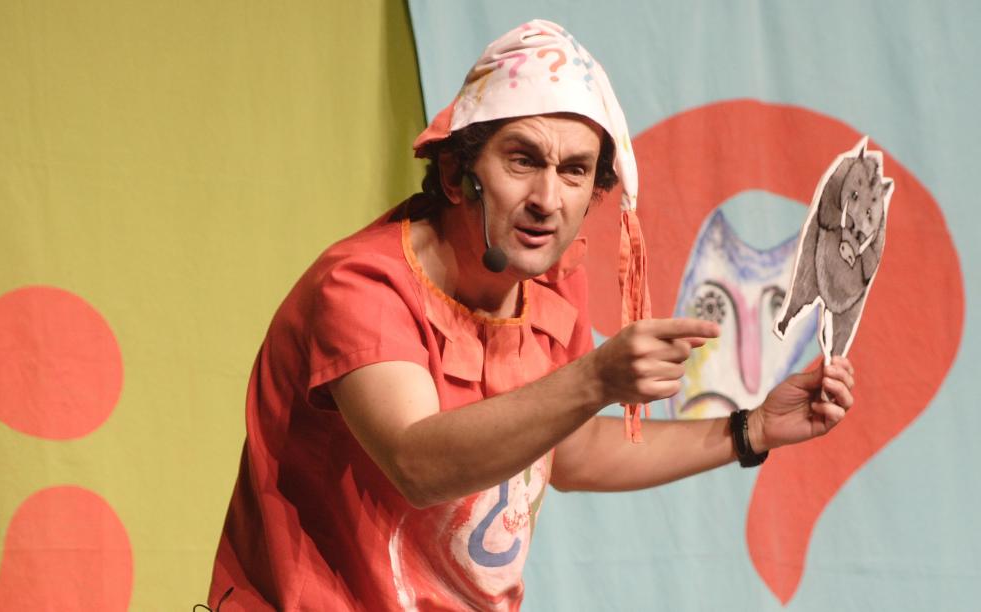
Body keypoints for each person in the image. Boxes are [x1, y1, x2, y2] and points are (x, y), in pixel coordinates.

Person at [207, 20, 855, 611]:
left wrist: (751, 430)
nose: (548, 198)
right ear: (457, 173)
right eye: (523, 159)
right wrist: (595, 378)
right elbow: (418, 466)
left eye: (574, 171)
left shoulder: (549, 283)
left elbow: (567, 454)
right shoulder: (363, 286)